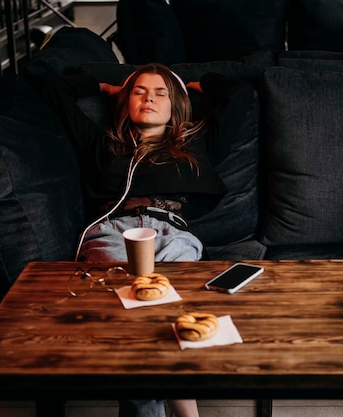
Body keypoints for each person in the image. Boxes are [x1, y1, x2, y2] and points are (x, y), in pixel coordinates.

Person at [36, 63, 252, 417]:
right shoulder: (103, 144)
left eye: (161, 92)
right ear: (126, 101)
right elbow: (54, 87)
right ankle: (185, 412)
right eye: (139, 91)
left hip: (174, 233)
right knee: (136, 310)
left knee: (169, 307)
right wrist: (108, 87)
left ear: (175, 105)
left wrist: (191, 83)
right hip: (112, 231)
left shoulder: (197, 143)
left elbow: (240, 93)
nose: (149, 97)